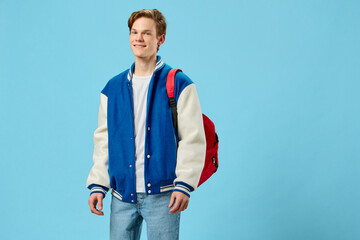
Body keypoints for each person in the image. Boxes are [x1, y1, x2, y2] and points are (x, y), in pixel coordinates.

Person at [86, 9, 206, 240]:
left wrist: (184, 185)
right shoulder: (112, 88)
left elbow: (192, 138)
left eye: (146, 33)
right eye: (134, 32)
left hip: (164, 196)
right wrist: (98, 184)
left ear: (160, 39)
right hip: (122, 196)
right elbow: (104, 140)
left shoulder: (180, 84)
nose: (138, 38)